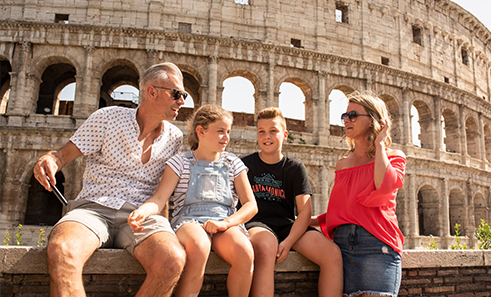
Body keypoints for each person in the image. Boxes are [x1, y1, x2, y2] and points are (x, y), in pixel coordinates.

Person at [33, 62, 188, 297]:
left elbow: (162, 193)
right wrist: (49, 160)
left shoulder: (175, 137)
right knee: (62, 250)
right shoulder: (107, 118)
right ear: (152, 91)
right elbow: (61, 156)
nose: (182, 101)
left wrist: (164, 229)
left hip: (141, 216)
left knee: (173, 260)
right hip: (93, 209)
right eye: (176, 93)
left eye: (184, 94)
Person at [128, 104, 257, 297]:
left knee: (245, 252)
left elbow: (250, 205)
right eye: (220, 131)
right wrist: (142, 211)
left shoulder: (233, 163)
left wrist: (225, 224)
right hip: (189, 220)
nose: (226, 137)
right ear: (201, 131)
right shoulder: (180, 162)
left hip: (224, 221)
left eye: (228, 132)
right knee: (199, 245)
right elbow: (159, 198)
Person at [312, 91, 406, 297]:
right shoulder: (342, 164)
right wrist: (302, 222)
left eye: (353, 115)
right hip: (342, 247)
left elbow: (385, 186)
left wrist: (379, 145)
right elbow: (342, 211)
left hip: (376, 245)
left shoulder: (394, 157)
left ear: (373, 120)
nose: (347, 120)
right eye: (345, 116)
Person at [242, 107, 343, 297]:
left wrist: (288, 242)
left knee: (332, 253)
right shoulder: (245, 165)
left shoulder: (295, 168)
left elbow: (304, 212)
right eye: (261, 131)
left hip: (287, 225)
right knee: (265, 249)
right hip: (257, 223)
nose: (267, 136)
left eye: (273, 130)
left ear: (285, 135)